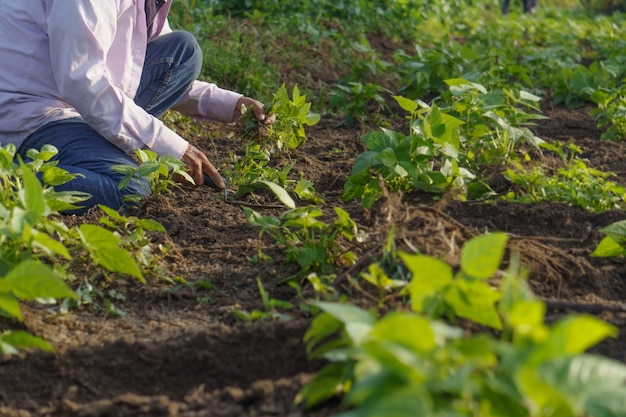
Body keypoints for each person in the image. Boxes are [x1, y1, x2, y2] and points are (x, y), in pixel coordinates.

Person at [0, 0, 269, 214]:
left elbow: (139, 65)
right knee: (130, 187)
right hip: (31, 113)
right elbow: (81, 80)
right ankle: (12, 178)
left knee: (183, 51)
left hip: (70, 101)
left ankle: (100, 151)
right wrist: (171, 148)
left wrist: (231, 104)